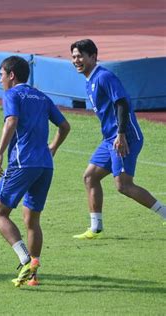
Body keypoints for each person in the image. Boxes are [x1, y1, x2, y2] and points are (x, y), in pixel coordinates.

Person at [70, 39, 166, 239]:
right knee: (90, 177)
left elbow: (122, 103)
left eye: (80, 56)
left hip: (124, 137)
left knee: (124, 185)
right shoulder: (90, 81)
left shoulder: (104, 77)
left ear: (93, 57)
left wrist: (121, 134)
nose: (76, 60)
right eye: (73, 57)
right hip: (110, 139)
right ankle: (95, 228)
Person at [0, 56, 70, 287]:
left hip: (22, 163)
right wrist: (53, 147)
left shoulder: (12, 95)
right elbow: (65, 126)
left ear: (11, 75)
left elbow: (12, 120)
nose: (0, 79)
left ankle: (25, 259)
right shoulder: (42, 96)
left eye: (1, 74)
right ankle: (33, 275)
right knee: (31, 219)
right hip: (45, 165)